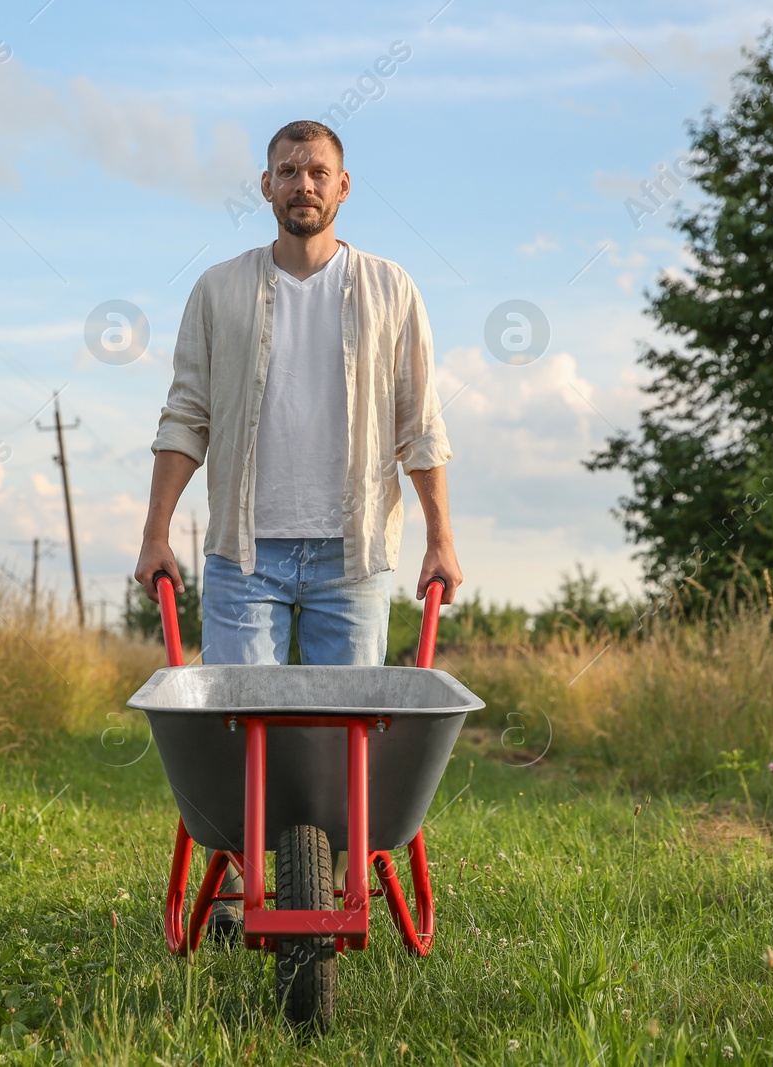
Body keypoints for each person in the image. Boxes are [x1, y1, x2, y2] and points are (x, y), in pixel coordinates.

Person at [132, 118, 462, 934]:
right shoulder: (219, 290)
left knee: (337, 756)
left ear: (343, 187)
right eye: (288, 171)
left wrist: (439, 535)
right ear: (266, 187)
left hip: (354, 558)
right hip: (244, 557)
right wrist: (155, 531)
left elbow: (421, 426)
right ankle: (246, 885)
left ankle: (329, 896)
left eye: (318, 171)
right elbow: (186, 417)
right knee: (241, 739)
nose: (303, 184)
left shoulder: (391, 289)